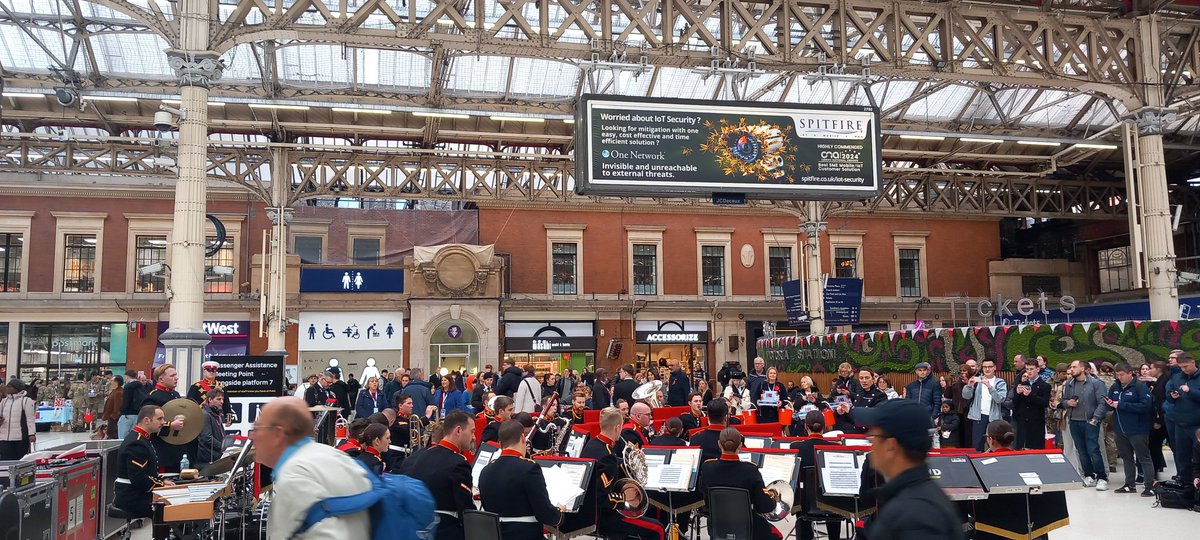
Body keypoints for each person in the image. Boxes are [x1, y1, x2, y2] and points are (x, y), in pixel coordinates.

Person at [251, 397, 372, 539]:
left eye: (257, 429)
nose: (252, 436)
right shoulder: (332, 455)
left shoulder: (294, 476)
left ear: (278, 433)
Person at [855, 399, 964, 540]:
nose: (870, 443)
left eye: (873, 437)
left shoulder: (915, 516)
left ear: (891, 446)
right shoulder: (910, 498)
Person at [580, 407, 665, 540]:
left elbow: (606, 464)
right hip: (605, 517)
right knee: (658, 529)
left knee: (651, 512)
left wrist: (629, 459)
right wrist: (623, 497)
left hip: (588, 513)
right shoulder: (607, 456)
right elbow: (601, 497)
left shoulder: (592, 443)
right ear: (617, 427)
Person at [479, 420, 563, 539]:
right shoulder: (529, 468)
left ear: (500, 442)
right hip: (526, 535)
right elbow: (545, 514)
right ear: (523, 438)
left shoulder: (486, 470)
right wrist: (559, 512)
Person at [699, 428, 783, 540]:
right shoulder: (750, 470)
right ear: (740, 445)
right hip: (750, 530)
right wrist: (773, 499)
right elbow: (766, 506)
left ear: (719, 444)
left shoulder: (707, 468)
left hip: (717, 528)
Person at [406, 410, 476, 540]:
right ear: (458, 431)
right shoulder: (459, 463)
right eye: (472, 431)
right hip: (447, 530)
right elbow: (465, 508)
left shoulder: (423, 456)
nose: (474, 437)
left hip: (421, 528)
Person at [1098, 362, 1155, 495]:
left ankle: (1149, 486)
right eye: (1117, 375)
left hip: (1138, 429)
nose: (1119, 377)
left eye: (1122, 374)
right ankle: (1129, 484)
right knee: (1126, 457)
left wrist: (1122, 405)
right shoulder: (1115, 386)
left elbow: (1145, 406)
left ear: (1130, 373)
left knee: (1143, 457)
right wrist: (1110, 404)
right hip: (1120, 429)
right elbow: (1112, 405)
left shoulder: (1140, 387)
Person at [113, 405, 172, 520]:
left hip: (136, 493)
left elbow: (148, 471)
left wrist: (162, 480)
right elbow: (139, 478)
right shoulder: (137, 442)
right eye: (160, 419)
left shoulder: (142, 438)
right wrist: (161, 485)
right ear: (146, 420)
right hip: (131, 497)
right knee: (172, 508)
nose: (163, 422)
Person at [1059, 359, 1109, 490]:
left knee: (1093, 450)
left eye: (1074, 367)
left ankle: (1102, 477)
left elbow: (1102, 402)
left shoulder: (1096, 383)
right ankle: (1089, 475)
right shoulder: (1069, 384)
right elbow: (1063, 401)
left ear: (1082, 369)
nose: (1071, 370)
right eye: (1071, 368)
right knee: (1081, 451)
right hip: (1074, 421)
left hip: (1090, 421)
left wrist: (1095, 419)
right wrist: (1068, 403)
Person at [142, 364, 189, 473]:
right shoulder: (153, 397)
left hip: (178, 446)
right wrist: (170, 425)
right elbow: (148, 423)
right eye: (172, 375)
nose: (176, 378)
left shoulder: (175, 394)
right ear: (161, 379)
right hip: (163, 449)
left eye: (176, 375)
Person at [1166, 352, 1200, 487]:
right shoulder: (1177, 377)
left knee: (1197, 456)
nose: (1184, 369)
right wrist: (1171, 396)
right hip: (1180, 423)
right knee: (1182, 456)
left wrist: (1190, 391)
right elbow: (1168, 394)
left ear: (1193, 362)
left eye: (1186, 366)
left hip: (1197, 425)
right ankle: (1186, 485)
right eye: (1181, 367)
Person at [962, 359, 1007, 451]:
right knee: (977, 443)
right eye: (985, 367)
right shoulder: (977, 379)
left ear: (994, 367)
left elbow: (1000, 399)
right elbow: (966, 396)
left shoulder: (1000, 382)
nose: (987, 369)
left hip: (994, 417)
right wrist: (969, 386)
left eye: (989, 367)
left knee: (996, 443)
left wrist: (990, 386)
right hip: (979, 416)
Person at [832, 368, 887, 434]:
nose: (864, 381)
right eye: (861, 378)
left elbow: (875, 418)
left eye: (867, 378)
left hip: (869, 434)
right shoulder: (859, 395)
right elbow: (852, 419)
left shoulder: (880, 396)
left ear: (873, 379)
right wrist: (842, 413)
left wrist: (850, 411)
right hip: (855, 433)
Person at [1011, 361, 1051, 450]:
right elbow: (1014, 403)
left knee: (1035, 448)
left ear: (1037, 369)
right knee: (1021, 447)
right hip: (1022, 422)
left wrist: (1031, 395)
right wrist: (1017, 394)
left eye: (1031, 369)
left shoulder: (1045, 386)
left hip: (1036, 422)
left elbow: (1045, 403)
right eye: (1027, 369)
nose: (1029, 371)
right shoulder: (1022, 384)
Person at [0, 379, 37, 459]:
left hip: (20, 438)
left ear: (17, 388)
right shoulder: (3, 401)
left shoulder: (26, 401)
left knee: (20, 460)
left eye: (10, 387)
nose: (7, 388)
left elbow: (30, 419)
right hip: (4, 437)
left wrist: (31, 434)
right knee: (6, 461)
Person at [195, 388, 226, 471]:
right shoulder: (205, 415)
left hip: (216, 456)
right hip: (208, 458)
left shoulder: (216, 415)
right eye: (218, 399)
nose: (222, 402)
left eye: (222, 399)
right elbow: (207, 438)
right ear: (210, 400)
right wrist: (223, 447)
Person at [118, 372, 148, 439]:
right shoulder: (142, 386)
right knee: (134, 436)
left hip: (127, 415)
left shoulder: (128, 387)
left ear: (127, 377)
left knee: (122, 437)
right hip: (138, 414)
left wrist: (122, 411)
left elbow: (126, 401)